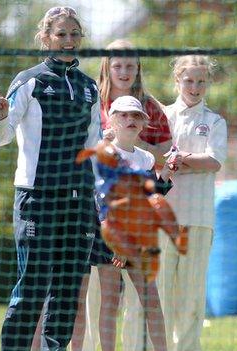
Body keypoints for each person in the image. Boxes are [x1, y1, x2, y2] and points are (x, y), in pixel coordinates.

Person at [0, 6, 101, 350]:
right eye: (61, 34)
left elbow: (93, 147)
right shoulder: (29, 80)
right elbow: (2, 137)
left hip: (77, 200)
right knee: (34, 283)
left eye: (74, 35)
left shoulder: (88, 86)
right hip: (36, 197)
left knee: (68, 288)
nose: (68, 41)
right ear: (46, 38)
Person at [71, 38, 175, 351]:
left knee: (151, 301)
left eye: (136, 117)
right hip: (108, 239)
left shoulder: (145, 159)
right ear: (111, 120)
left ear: (143, 123)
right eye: (123, 116)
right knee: (107, 302)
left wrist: (164, 180)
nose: (130, 120)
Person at [158, 55, 227, 351]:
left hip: (197, 219)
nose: (195, 87)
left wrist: (180, 159)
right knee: (159, 294)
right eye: (189, 80)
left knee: (191, 298)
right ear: (177, 80)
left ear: (208, 83)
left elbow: (213, 161)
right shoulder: (160, 116)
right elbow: (150, 155)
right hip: (161, 218)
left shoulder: (214, 121)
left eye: (201, 81)